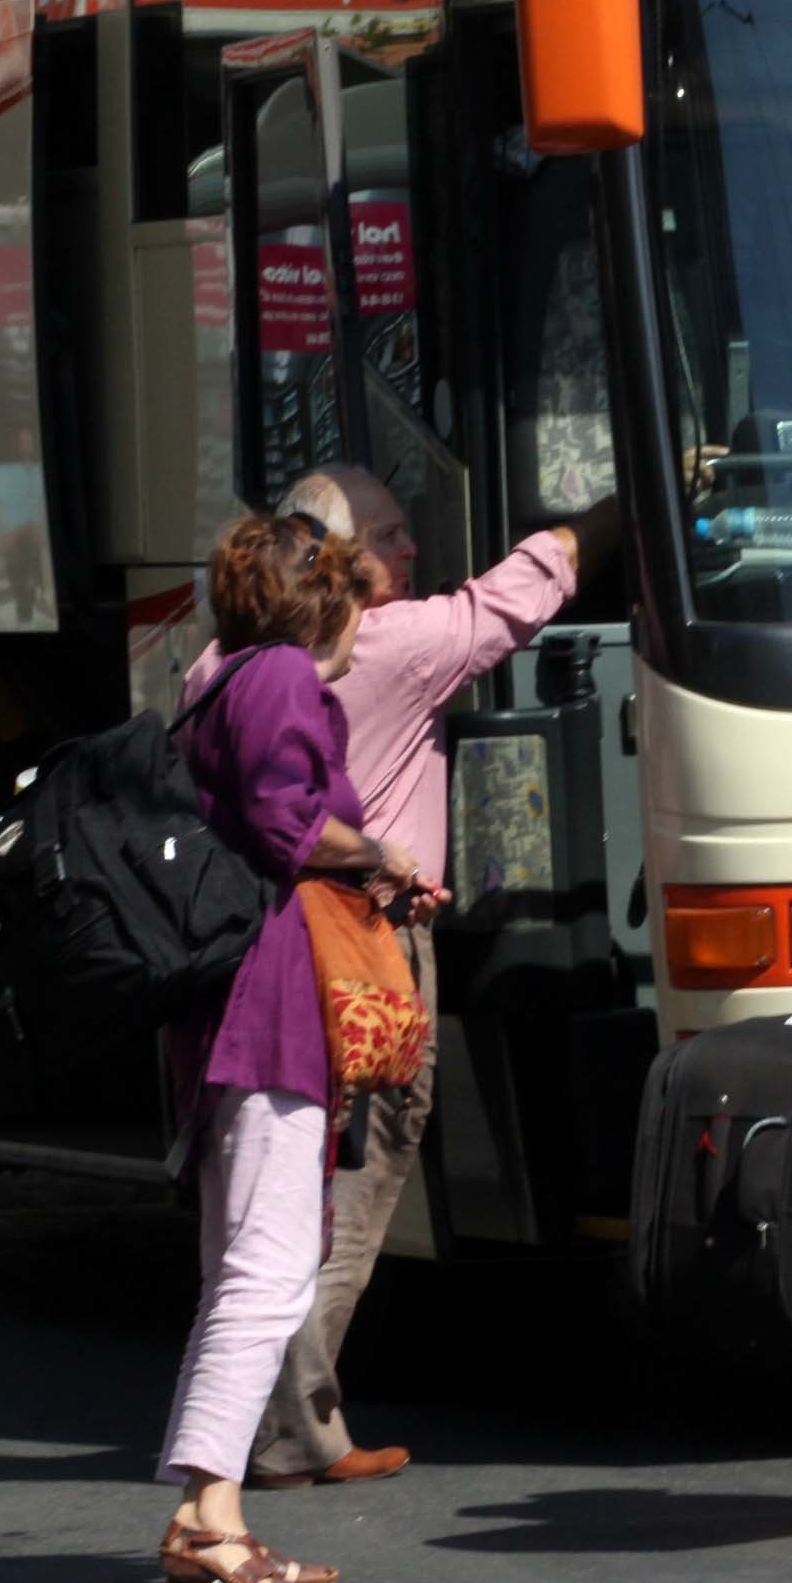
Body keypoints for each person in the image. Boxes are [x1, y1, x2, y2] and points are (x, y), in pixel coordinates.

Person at [200, 466, 619, 1490]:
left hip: (253, 943)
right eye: (389, 536)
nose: (411, 553)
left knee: (268, 1190)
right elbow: (517, 591)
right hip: (356, 942)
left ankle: (277, 1418)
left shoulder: (218, 659)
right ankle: (284, 1420)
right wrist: (622, 508)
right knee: (358, 1167)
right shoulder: (384, 646)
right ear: (330, 561)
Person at [155, 509, 432, 1583]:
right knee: (269, 1270)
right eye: (358, 592)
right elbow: (287, 824)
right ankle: (207, 1513)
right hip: (273, 1006)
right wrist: (384, 851)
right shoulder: (276, 676)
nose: (369, 616)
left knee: (245, 1269)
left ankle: (206, 1514)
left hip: (243, 1004)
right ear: (322, 599)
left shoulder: (224, 675)